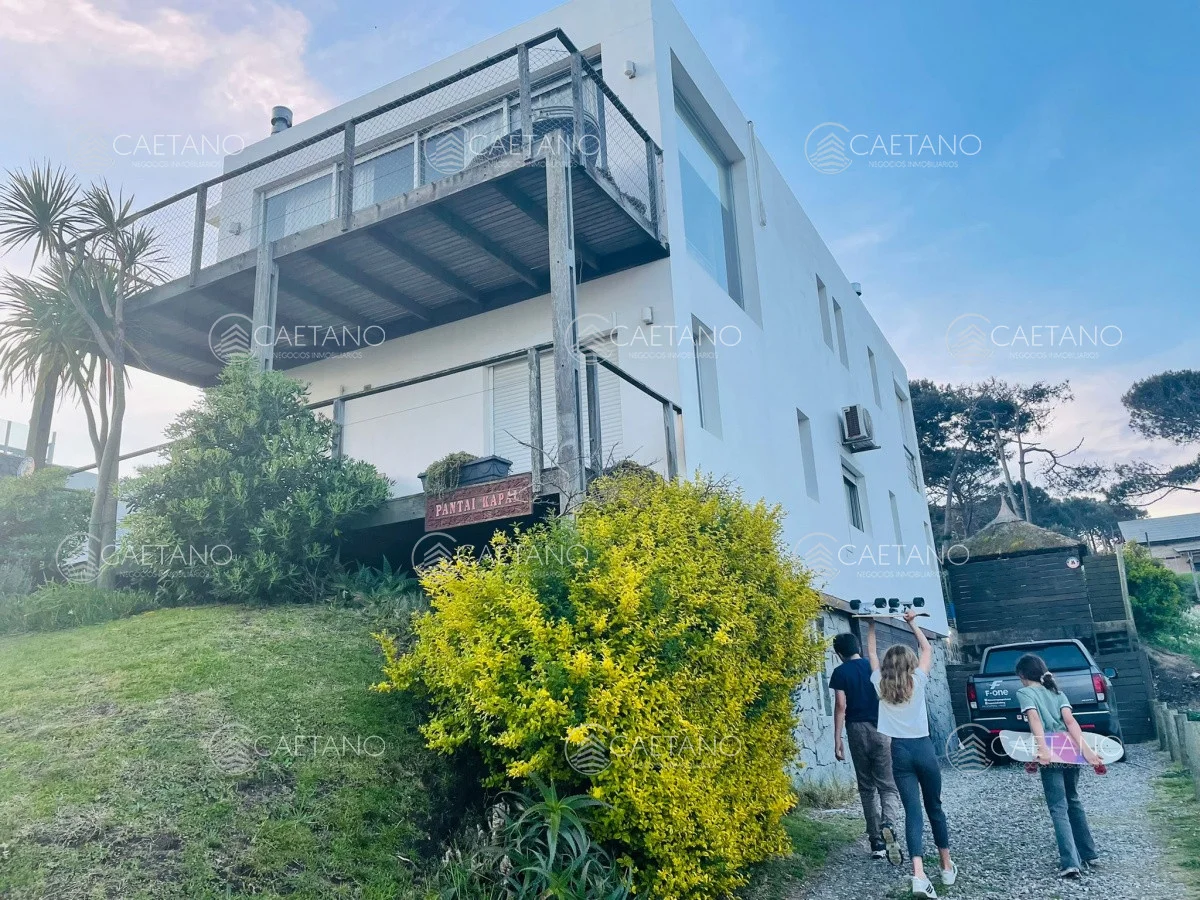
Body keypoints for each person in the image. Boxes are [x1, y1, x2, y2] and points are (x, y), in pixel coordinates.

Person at [867, 611, 957, 899]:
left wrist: (870, 623)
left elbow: (871, 653)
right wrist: (911, 623)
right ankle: (946, 866)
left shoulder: (879, 682)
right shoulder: (918, 680)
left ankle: (918, 874)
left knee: (913, 812)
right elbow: (927, 649)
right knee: (935, 807)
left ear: (887, 666)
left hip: (900, 751)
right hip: (923, 748)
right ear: (910, 664)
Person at [1015, 653, 1101, 878]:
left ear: (1022, 675)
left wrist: (1042, 749)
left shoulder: (1025, 693)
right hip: (1070, 750)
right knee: (1073, 800)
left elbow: (1035, 720)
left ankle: (1071, 863)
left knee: (1058, 807)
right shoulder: (1057, 693)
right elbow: (1071, 722)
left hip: (1051, 750)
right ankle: (1089, 854)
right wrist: (1087, 751)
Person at [830, 632, 903, 859]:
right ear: (858, 648)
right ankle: (888, 823)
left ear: (838, 653)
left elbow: (841, 705)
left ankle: (876, 842)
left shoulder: (840, 672)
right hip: (881, 728)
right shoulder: (875, 667)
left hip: (856, 730)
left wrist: (837, 739)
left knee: (866, 787)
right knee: (887, 785)